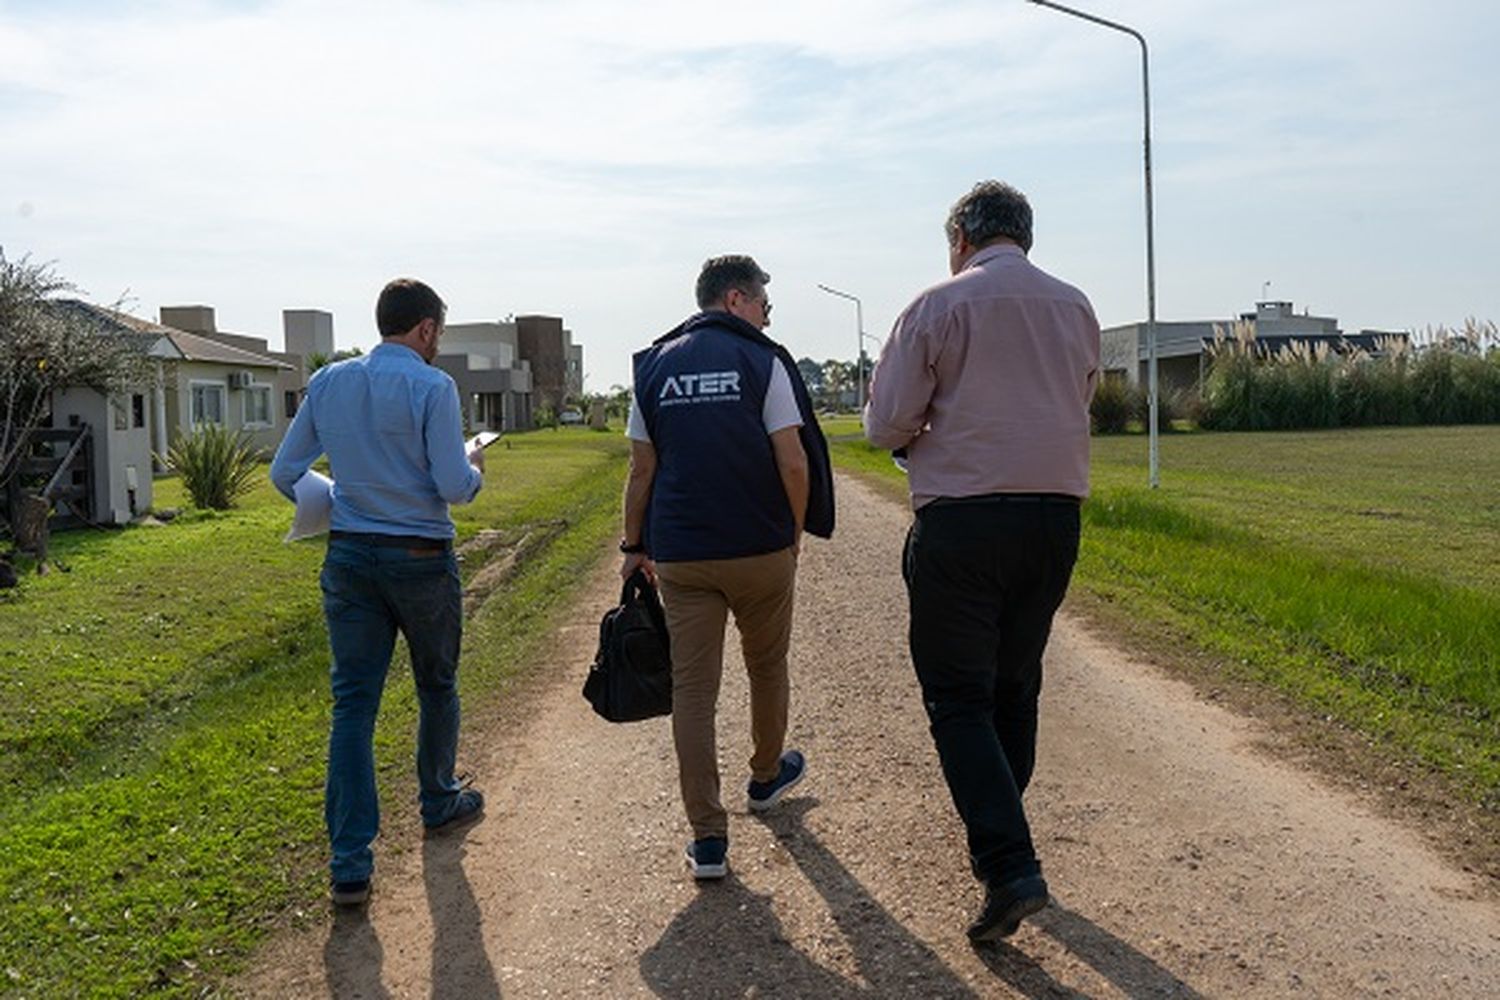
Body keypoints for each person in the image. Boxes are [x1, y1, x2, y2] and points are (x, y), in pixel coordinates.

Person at [864, 181, 1100, 941]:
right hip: (1054, 520)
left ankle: (1009, 865)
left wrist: (923, 428)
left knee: (957, 697)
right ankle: (1007, 830)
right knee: (1014, 684)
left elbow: (886, 422)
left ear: (962, 234)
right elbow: (1081, 398)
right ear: (1024, 235)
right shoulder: (1076, 307)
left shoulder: (937, 305)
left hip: (962, 523)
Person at [270, 278, 487, 906]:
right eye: (438, 333)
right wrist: (475, 473)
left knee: (353, 706)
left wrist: (332, 500)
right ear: (424, 328)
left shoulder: (330, 381)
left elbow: (285, 471)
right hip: (419, 557)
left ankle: (349, 862)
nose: (437, 344)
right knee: (436, 684)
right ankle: (438, 798)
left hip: (350, 558)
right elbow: (450, 482)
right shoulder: (431, 386)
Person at [621, 254, 834, 880]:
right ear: (736, 298)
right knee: (766, 664)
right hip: (760, 546)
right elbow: (793, 462)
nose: (769, 316)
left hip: (684, 553)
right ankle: (765, 778)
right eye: (766, 303)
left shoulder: (653, 366)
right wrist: (793, 532)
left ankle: (708, 839)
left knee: (694, 690)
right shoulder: (762, 360)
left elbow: (642, 470)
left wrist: (634, 545)